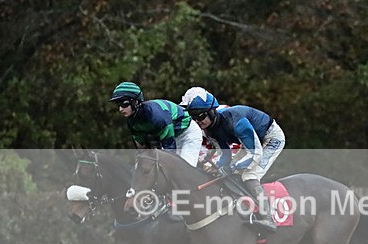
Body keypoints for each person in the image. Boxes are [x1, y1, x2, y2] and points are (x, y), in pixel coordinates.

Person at [180, 86, 285, 233]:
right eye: (193, 117)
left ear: (211, 111)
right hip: (250, 143)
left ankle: (268, 218)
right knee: (228, 173)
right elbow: (225, 155)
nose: (198, 121)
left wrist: (232, 167)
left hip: (270, 139)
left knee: (249, 175)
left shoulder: (236, 121)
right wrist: (216, 166)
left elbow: (255, 154)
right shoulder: (209, 129)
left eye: (201, 116)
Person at [109, 81, 203, 166]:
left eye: (124, 104)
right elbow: (143, 149)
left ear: (135, 102)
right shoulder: (132, 121)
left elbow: (170, 150)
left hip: (187, 134)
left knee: (182, 171)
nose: (120, 109)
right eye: (118, 105)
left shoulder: (156, 117)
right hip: (171, 138)